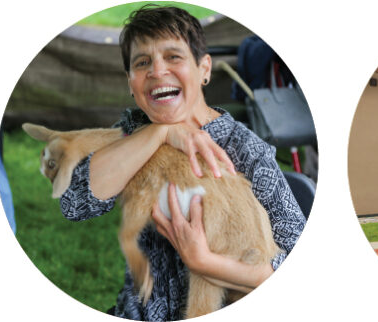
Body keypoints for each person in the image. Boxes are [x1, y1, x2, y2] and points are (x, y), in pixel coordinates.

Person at [59, 5, 305, 320]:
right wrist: (161, 132)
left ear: (204, 69)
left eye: (173, 57)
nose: (157, 71)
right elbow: (75, 202)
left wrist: (203, 262)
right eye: (142, 62)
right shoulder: (133, 130)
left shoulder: (246, 150)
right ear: (130, 83)